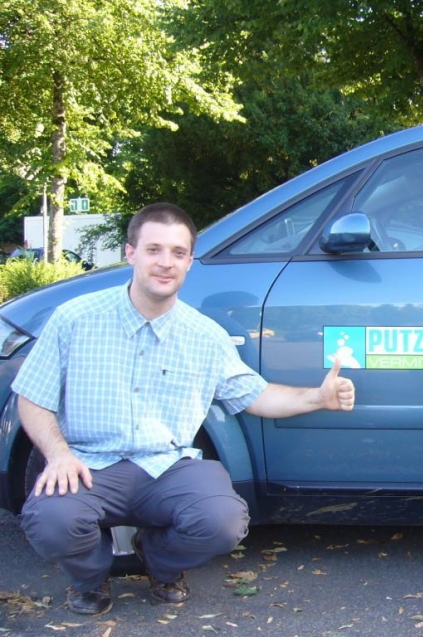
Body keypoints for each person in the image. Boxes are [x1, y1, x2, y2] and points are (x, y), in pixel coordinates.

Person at [13, 203, 356, 616]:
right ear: (130, 253)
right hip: (90, 464)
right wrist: (58, 455)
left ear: (190, 262)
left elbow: (256, 396)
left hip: (168, 467)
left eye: (178, 252)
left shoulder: (204, 335)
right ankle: (90, 577)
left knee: (222, 521)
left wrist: (318, 397)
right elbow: (32, 396)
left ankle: (158, 561)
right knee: (49, 519)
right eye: (154, 249)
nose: (166, 262)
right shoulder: (74, 319)